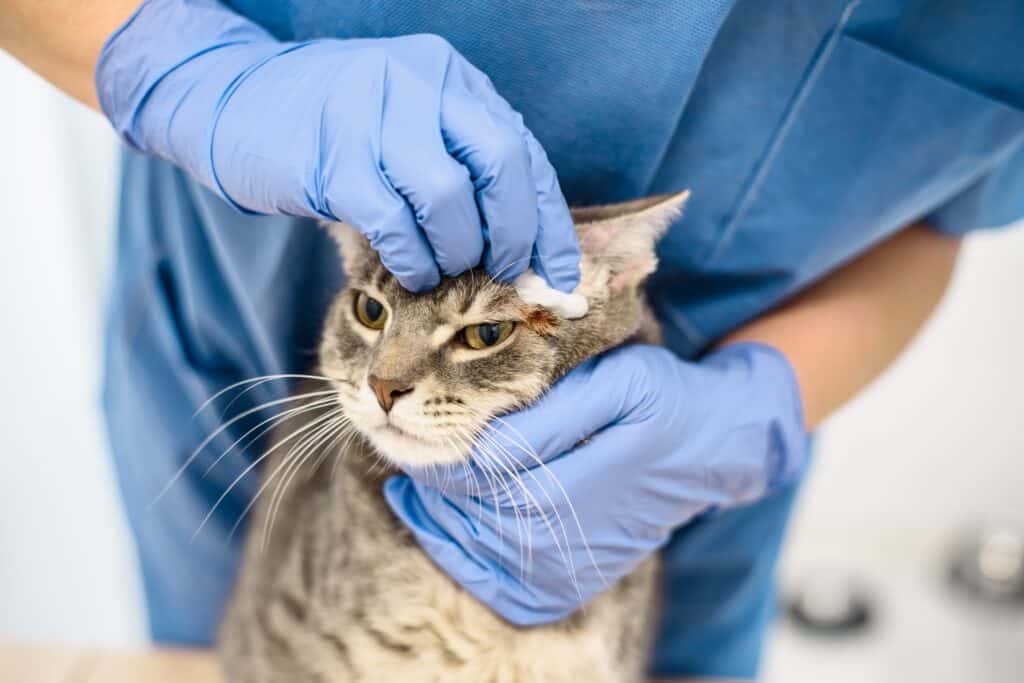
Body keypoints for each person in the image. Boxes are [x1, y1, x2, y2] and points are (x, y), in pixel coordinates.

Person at [3, 0, 1022, 678]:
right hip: (256, 344)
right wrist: (183, 69)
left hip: (666, 471)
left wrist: (766, 400)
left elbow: (941, 211)